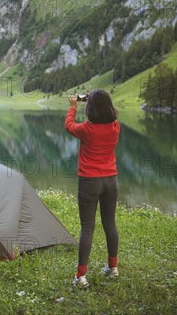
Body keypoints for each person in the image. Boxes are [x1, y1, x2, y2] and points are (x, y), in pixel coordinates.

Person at [65, 89, 120, 288]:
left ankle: (81, 277)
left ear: (91, 108)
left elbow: (69, 126)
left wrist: (73, 107)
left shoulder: (87, 129)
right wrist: (94, 97)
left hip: (89, 181)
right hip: (111, 181)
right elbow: (103, 111)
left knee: (87, 227)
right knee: (110, 224)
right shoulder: (115, 126)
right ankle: (113, 268)